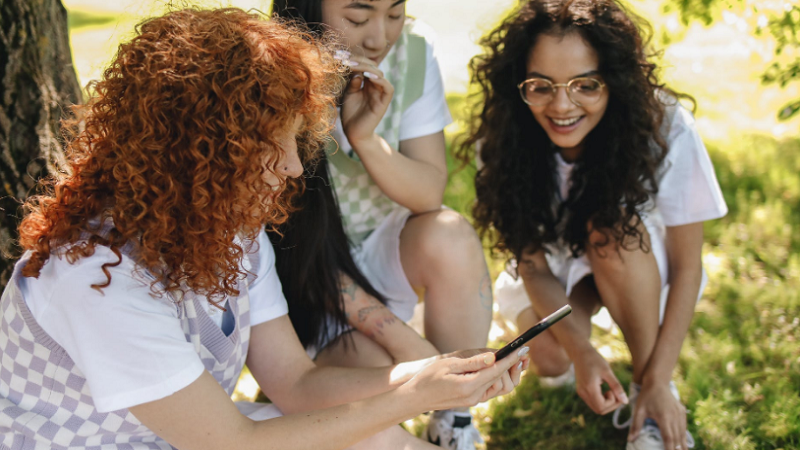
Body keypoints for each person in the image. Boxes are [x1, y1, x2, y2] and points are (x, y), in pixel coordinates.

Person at [0, 9, 529, 450]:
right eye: (272, 147)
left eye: (296, 143)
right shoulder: (97, 277)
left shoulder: (231, 226)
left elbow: (298, 384)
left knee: (379, 439)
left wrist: (439, 376)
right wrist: (413, 397)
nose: (296, 169)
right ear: (197, 153)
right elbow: (233, 444)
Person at [457, 1, 728, 449]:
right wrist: (581, 354)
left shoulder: (666, 126)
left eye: (586, 84)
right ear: (518, 84)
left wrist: (658, 377)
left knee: (610, 234)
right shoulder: (505, 137)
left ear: (615, 81)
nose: (562, 105)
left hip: (635, 260)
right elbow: (534, 267)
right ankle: (585, 357)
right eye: (540, 85)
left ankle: (649, 391)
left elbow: (687, 266)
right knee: (548, 357)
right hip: (560, 266)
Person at [270, 2, 493, 448]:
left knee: (447, 234)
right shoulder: (270, 67)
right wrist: (406, 341)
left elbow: (428, 193)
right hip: (302, 278)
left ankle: (455, 419)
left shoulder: (412, 50)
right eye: (357, 18)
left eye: (395, 13)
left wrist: (365, 139)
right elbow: (286, 245)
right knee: (375, 378)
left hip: (380, 247)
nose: (379, 38)